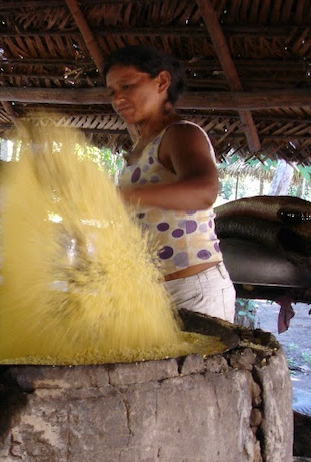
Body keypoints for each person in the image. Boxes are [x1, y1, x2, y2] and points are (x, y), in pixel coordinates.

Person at [104, 45, 236, 322]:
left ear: (162, 81)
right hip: (152, 292)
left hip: (191, 291)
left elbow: (204, 191)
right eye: (112, 92)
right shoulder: (142, 146)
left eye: (126, 86)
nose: (118, 99)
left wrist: (125, 196)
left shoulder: (181, 133)